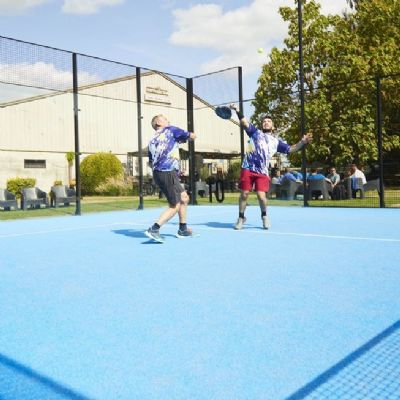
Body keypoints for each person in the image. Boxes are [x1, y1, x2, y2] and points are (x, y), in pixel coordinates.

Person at [229, 103, 313, 230]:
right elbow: (245, 123)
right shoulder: (255, 132)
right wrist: (237, 110)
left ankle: (264, 216)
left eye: (268, 121)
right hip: (248, 167)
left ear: (273, 126)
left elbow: (291, 149)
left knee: (261, 197)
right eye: (264, 121)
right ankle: (241, 218)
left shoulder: (276, 142)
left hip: (262, 171)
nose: (266, 123)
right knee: (244, 194)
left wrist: (302, 142)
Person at [145, 114, 196, 243]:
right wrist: (192, 135)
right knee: (175, 205)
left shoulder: (152, 139)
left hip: (161, 173)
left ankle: (183, 229)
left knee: (184, 198)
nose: (168, 120)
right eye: (164, 118)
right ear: (158, 122)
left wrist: (175, 168)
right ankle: (154, 229)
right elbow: (191, 136)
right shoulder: (170, 130)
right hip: (166, 172)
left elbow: (151, 161)